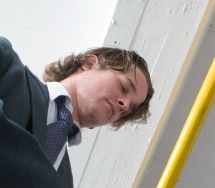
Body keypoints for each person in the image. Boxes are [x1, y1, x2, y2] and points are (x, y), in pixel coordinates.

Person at [0, 36, 154, 188]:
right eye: (123, 87)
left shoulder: (65, 182)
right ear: (89, 63)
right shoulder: (7, 66)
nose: (125, 105)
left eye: (128, 111)